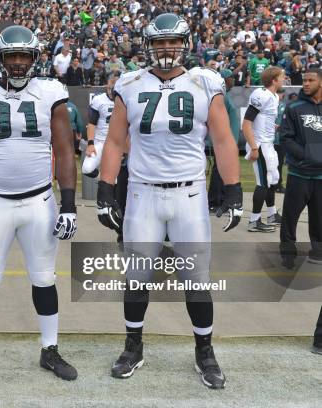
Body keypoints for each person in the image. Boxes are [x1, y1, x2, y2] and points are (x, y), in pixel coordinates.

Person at [97, 14, 243, 389]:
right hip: (142, 192)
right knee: (136, 277)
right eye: (159, 42)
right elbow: (114, 141)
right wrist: (106, 187)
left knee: (196, 279)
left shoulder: (204, 81)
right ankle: (134, 346)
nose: (166, 48)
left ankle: (204, 350)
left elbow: (224, 140)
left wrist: (233, 188)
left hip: (189, 194)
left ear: (185, 43)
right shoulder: (129, 83)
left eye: (172, 41)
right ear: (148, 45)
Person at [0, 25, 78, 383]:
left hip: (39, 200)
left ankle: (50, 349)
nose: (18, 63)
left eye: (24, 55)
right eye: (12, 56)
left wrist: (68, 203)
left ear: (35, 58)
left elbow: (66, 150)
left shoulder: (51, 91)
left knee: (44, 278)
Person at [279, 68, 322, 268]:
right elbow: (286, 138)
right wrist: (308, 155)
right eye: (304, 80)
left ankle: (318, 251)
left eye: (310, 80)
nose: (305, 83)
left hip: (321, 177)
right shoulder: (294, 107)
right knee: (290, 216)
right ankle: (288, 252)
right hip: (299, 173)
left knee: (319, 216)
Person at [242, 67, 285, 232]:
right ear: (274, 80)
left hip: (268, 142)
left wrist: (271, 126)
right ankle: (254, 221)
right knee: (263, 183)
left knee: (274, 178)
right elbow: (246, 124)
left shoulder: (274, 96)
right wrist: (254, 147)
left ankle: (272, 214)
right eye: (282, 77)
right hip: (259, 144)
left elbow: (262, 119)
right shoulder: (262, 95)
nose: (284, 80)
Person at [207, 69, 241, 211]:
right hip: (222, 141)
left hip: (229, 141)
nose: (233, 80)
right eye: (231, 78)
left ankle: (220, 199)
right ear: (224, 79)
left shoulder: (226, 95)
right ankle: (214, 201)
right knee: (218, 170)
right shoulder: (221, 96)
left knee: (220, 171)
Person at [82, 76, 118, 178]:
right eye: (109, 88)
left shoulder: (125, 100)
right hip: (100, 141)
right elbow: (92, 124)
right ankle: (104, 178)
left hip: (117, 143)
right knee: (87, 169)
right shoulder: (99, 99)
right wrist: (90, 144)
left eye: (113, 88)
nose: (111, 91)